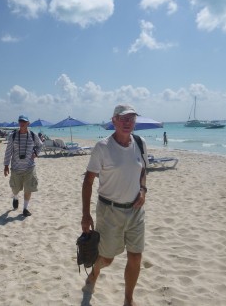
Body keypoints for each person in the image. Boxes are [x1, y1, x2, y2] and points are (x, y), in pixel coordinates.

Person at [81, 104, 147, 306]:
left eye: (131, 119)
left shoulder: (140, 142)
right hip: (109, 211)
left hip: (136, 211)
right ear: (114, 121)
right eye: (123, 119)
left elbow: (143, 171)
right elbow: (88, 181)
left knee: (135, 257)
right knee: (107, 259)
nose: (128, 123)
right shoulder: (103, 147)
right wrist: (86, 214)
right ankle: (94, 273)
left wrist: (143, 190)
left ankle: (128, 299)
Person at [3, 115, 43, 217]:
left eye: (24, 122)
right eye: (20, 121)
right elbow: (8, 151)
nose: (22, 123)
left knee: (28, 188)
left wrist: (36, 153)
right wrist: (6, 165)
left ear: (28, 123)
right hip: (16, 168)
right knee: (15, 188)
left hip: (29, 167)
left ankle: (25, 209)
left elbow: (40, 145)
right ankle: (15, 197)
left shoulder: (33, 135)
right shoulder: (13, 136)